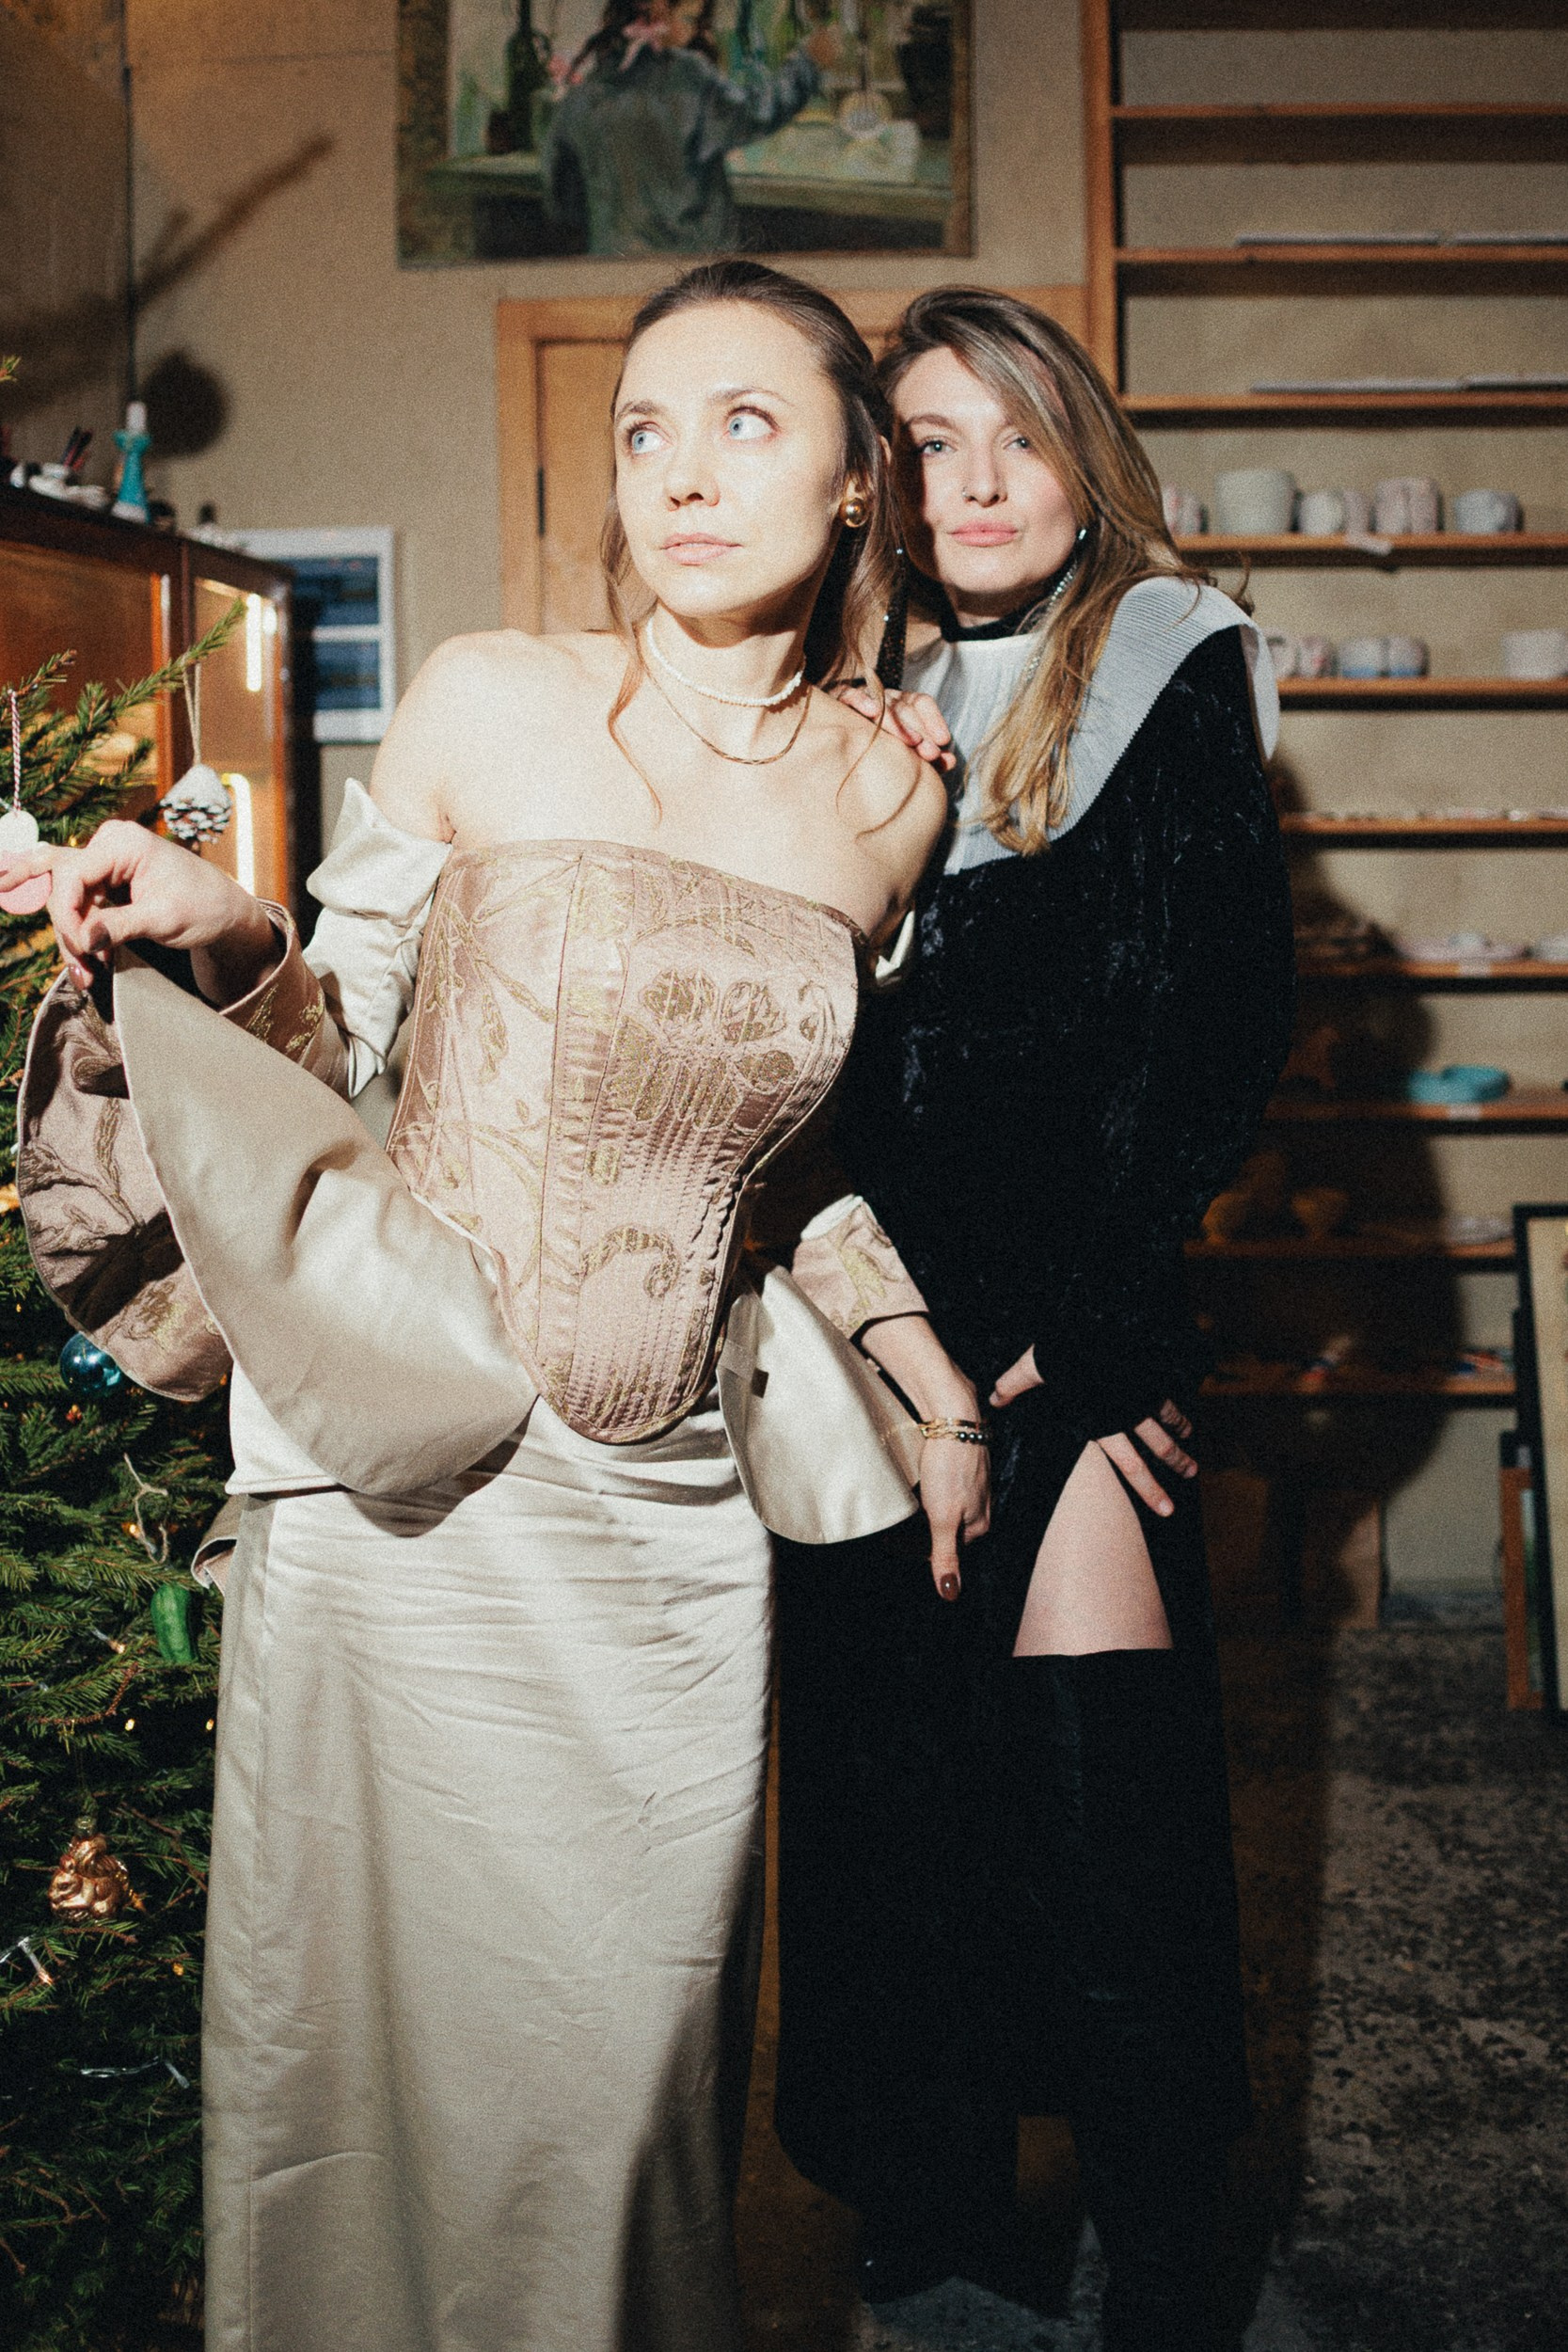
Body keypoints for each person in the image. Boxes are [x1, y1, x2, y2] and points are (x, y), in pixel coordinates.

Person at [9, 260, 990, 2352]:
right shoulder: (483, 695)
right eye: (643, 429)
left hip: (669, 1532)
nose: (680, 473)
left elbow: (783, 1161)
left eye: (745, 423)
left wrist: (928, 1383)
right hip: (411, 1493)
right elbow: (341, 1040)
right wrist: (222, 922)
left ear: (855, 482)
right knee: (359, 2072)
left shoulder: (893, 791)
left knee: (629, 2091)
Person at [772, 287, 1295, 2349]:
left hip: (1063, 1323)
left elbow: (1213, 1033)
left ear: (1084, 459)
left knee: (1103, 1808)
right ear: (875, 481)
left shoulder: (1170, 658)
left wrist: (1078, 1340)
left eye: (1018, 435)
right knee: (896, 1790)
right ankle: (936, 2204)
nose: (977, 482)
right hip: (863, 1316)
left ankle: (1166, 2243)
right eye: (928, 441)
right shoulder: (844, 694)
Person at [544, 0, 840, 257]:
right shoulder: (688, 78)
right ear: (658, 8)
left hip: (616, 268)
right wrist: (807, 64)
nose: (694, 32)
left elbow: (562, 203)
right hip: (697, 265)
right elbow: (759, 113)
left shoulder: (582, 98)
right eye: (688, 18)